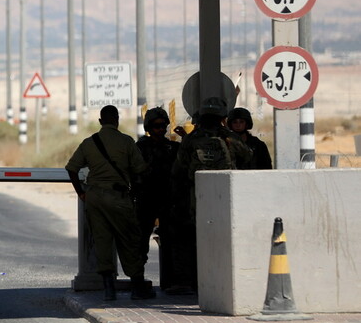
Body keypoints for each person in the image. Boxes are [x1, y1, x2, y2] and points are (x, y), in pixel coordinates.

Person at [66, 105, 153, 301]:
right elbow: (140, 170)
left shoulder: (89, 143)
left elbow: (71, 168)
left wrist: (81, 192)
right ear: (117, 120)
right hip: (118, 197)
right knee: (128, 239)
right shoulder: (126, 141)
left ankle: (109, 289)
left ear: (100, 121)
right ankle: (137, 287)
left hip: (94, 198)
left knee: (102, 240)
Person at [168, 96, 240, 294]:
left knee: (194, 239)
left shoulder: (192, 139)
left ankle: (194, 282)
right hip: (227, 196)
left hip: (197, 197)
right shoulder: (229, 137)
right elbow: (247, 157)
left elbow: (179, 169)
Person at [135, 107, 180, 291]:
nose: (161, 129)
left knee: (171, 241)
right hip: (147, 199)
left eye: (163, 126)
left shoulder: (173, 148)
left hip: (168, 199)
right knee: (140, 242)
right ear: (148, 127)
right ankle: (137, 280)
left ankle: (172, 280)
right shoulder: (140, 148)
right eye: (156, 126)